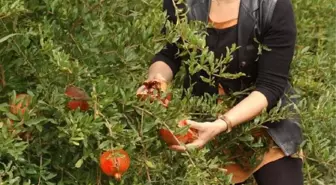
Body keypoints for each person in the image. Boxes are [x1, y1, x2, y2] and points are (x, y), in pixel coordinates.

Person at [137, 0, 304, 184]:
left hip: (266, 129)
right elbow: (169, 54)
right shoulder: (180, 3)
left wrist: (223, 123)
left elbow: (270, 85)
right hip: (202, 126)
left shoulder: (273, 6)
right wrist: (156, 80)